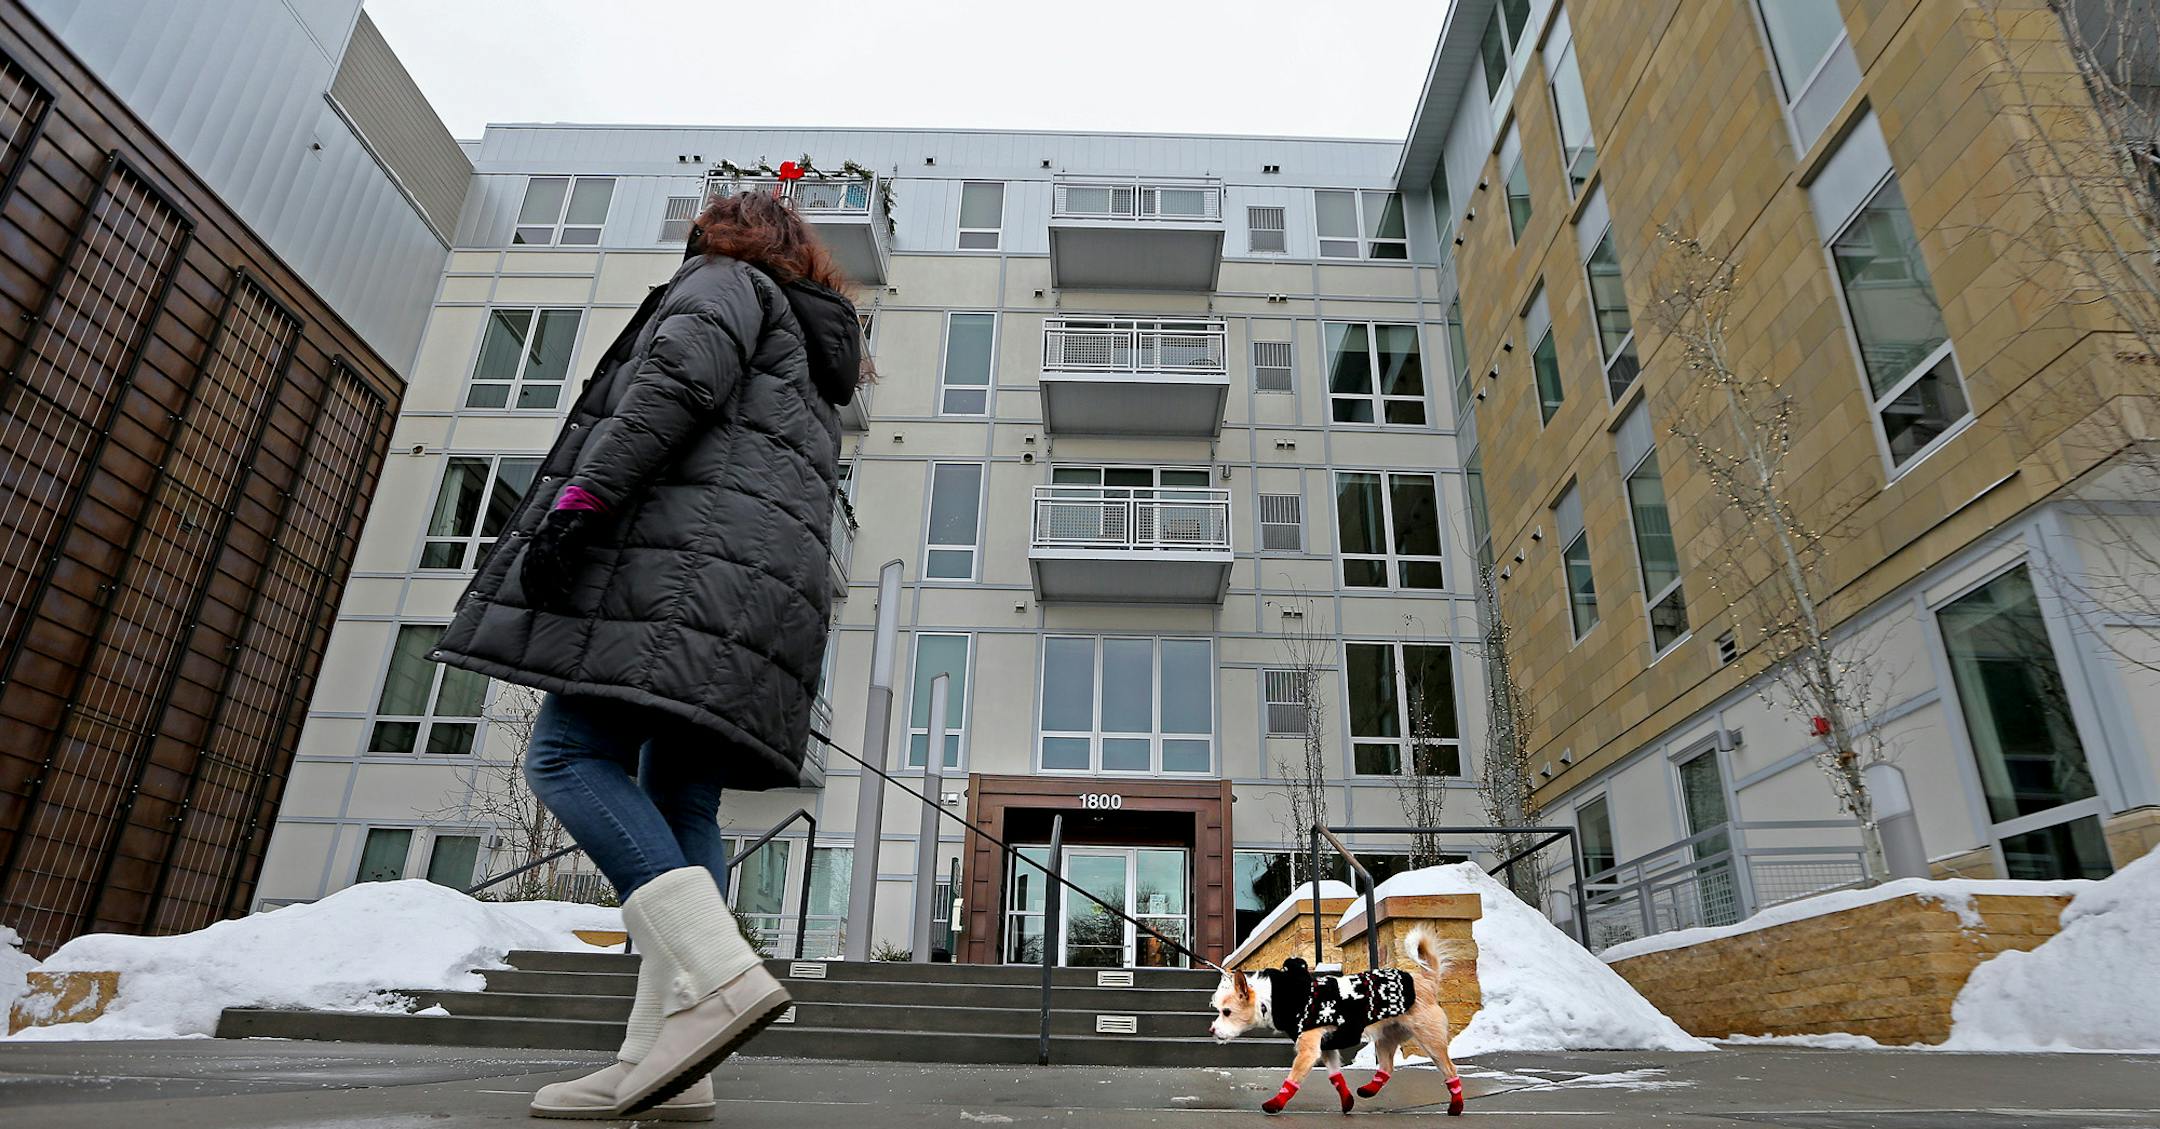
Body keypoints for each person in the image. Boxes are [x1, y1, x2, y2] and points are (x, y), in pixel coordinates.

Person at [431, 188, 863, 1120]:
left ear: (725, 236)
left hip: (670, 579)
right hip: (751, 598)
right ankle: (667, 1057)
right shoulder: (810, 352)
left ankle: (719, 974)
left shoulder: (723, 283)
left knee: (568, 756)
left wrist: (577, 507)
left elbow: (671, 388)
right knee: (680, 799)